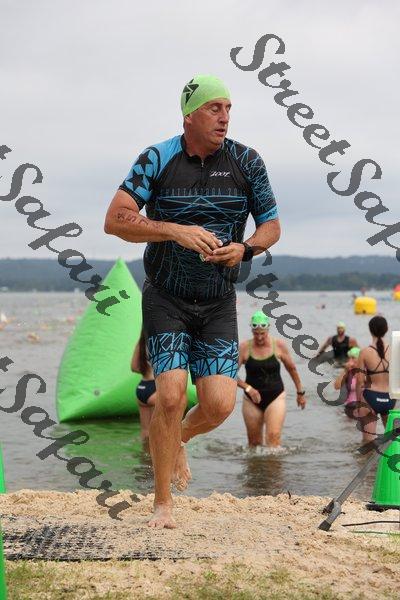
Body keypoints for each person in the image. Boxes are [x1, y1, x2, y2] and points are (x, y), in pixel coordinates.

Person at [104, 74, 280, 528]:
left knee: (220, 404)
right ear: (189, 115)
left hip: (218, 301)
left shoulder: (247, 161)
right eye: (214, 108)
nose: (224, 117)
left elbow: (271, 226)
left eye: (228, 108)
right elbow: (116, 219)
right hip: (166, 296)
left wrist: (246, 249)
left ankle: (177, 439)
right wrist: (173, 230)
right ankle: (162, 504)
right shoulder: (157, 158)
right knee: (169, 394)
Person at [237, 311, 306, 447]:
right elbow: (230, 374)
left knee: (273, 439)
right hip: (251, 400)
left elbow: (292, 369)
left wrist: (300, 393)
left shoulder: (279, 345)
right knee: (254, 444)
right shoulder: (244, 348)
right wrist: (248, 388)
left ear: (268, 329)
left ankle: (273, 461)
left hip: (276, 397)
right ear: (252, 331)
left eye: (262, 333)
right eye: (256, 333)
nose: (259, 337)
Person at [356, 316, 395, 442]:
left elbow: (359, 381)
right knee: (393, 442)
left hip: (370, 397)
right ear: (386, 329)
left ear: (370, 330)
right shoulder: (395, 350)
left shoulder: (365, 352)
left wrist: (358, 403)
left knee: (368, 444)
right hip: (390, 398)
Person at [131, 329, 157, 441]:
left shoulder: (141, 342)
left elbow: (134, 367)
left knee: (145, 432)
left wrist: (146, 370)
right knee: (158, 432)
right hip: (156, 388)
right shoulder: (161, 340)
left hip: (142, 388)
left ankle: (144, 452)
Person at [333, 346, 361, 419]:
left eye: (353, 358)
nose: (350, 360)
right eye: (349, 358)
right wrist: (345, 370)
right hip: (350, 406)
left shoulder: (367, 372)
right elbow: (336, 386)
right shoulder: (348, 372)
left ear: (360, 359)